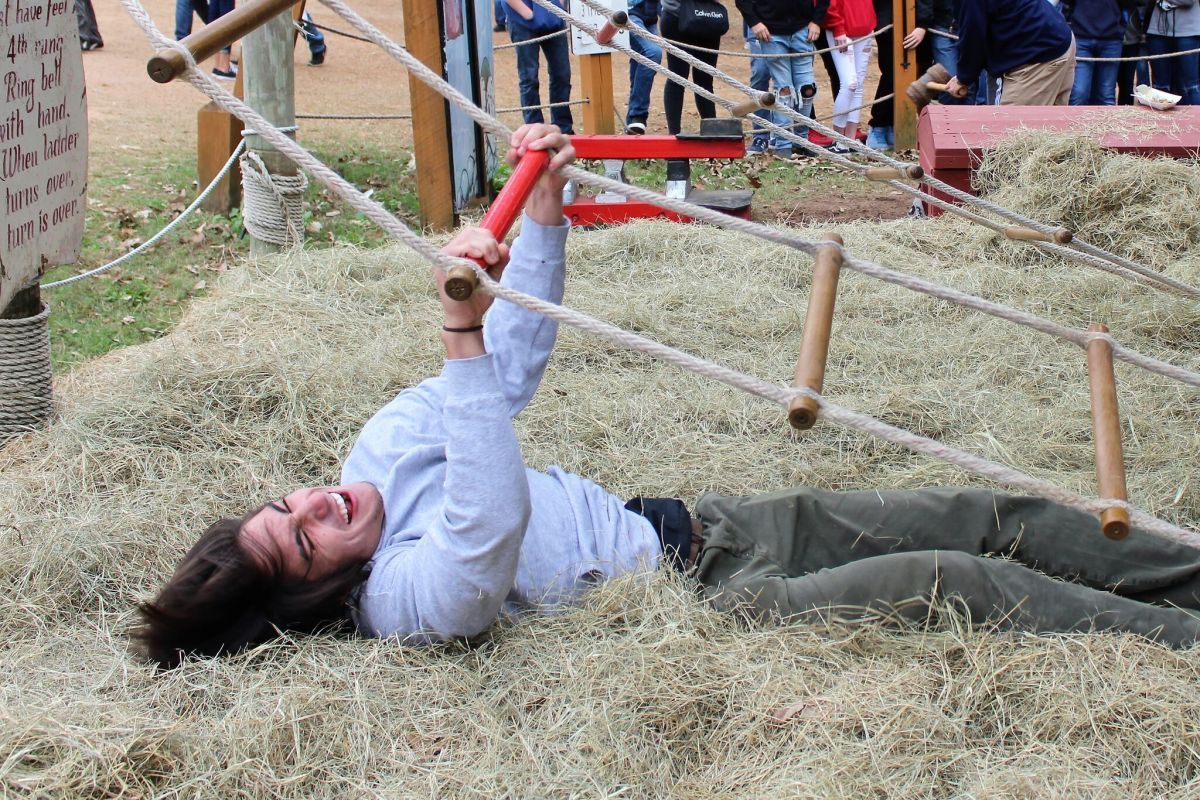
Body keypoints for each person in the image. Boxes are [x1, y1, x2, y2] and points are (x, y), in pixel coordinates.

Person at [134, 126, 1200, 669]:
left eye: (291, 502)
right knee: (950, 574)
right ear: (320, 595)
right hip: (698, 611)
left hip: (696, 523)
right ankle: (1178, 644)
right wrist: (456, 325)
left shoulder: (375, 452)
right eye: (307, 540)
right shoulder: (402, 603)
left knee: (981, 510)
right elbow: (485, 529)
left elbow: (500, 378)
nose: (322, 504)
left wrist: (542, 217)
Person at [735, 0, 827, 158]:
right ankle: (782, 143)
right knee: (783, 88)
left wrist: (817, 21)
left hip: (803, 30)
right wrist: (755, 23)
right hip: (771, 33)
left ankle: (801, 141)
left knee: (807, 90)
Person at [944, 0, 1076, 105]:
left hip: (1037, 56)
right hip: (1056, 37)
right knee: (1050, 128)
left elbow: (973, 35)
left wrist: (964, 78)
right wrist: (964, 76)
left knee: (1010, 132)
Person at [504, 0, 575, 133]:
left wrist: (559, 6)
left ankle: (563, 127)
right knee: (529, 77)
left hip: (553, 15)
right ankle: (534, 128)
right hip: (521, 19)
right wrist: (529, 14)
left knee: (562, 74)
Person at [660, 0, 729, 134]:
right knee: (677, 77)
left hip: (708, 16)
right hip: (676, 17)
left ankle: (712, 133)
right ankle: (673, 136)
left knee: (705, 80)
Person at [825, 0, 877, 153]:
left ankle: (850, 140)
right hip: (841, 29)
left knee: (858, 85)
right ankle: (839, 141)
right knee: (850, 84)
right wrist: (837, 27)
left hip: (865, 26)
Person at [1063, 0, 1133, 105]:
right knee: (1079, 93)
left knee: (1106, 94)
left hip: (1111, 38)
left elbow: (1129, 4)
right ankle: (1075, 121)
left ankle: (1106, 122)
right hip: (1081, 36)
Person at [1145, 0, 1200, 106]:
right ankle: (1161, 122)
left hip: (1188, 31)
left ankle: (1194, 122)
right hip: (1157, 30)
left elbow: (1188, 1)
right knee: (1161, 86)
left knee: (1190, 86)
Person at [625, 0, 663, 134]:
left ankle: (632, 129)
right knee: (653, 53)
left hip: (650, 15)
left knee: (639, 65)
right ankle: (638, 115)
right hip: (629, 12)